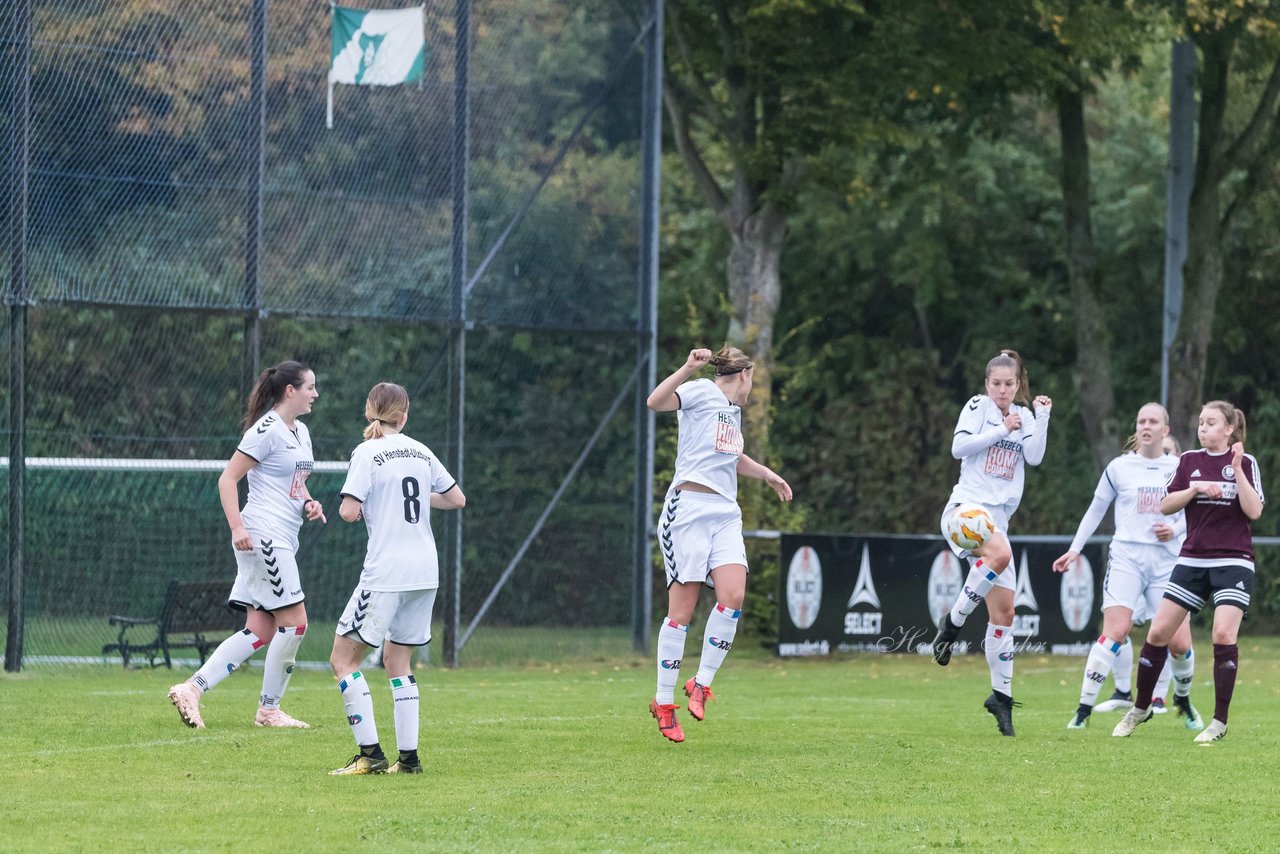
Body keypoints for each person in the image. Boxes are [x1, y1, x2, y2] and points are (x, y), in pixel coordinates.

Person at [645, 346, 792, 743]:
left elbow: (733, 457)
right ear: (743, 375)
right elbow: (655, 401)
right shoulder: (702, 392)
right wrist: (688, 367)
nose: (753, 387)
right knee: (682, 611)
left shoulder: (731, 410)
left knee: (733, 595)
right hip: (688, 511)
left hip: (725, 512)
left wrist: (768, 475)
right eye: (753, 379)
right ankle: (662, 700)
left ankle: (700, 683)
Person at [168, 360, 324, 729]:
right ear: (290, 391)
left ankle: (192, 688)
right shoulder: (266, 429)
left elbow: (294, 482)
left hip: (283, 536)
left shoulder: (301, 431)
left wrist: (308, 502)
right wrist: (237, 526)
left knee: (260, 630)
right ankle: (268, 711)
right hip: (263, 535)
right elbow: (228, 479)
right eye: (310, 388)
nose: (315, 394)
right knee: (295, 623)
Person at [328, 382, 465, 775]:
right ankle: (409, 761)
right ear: (403, 417)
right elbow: (457, 499)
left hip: (387, 570)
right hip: (425, 571)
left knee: (342, 660)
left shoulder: (367, 451)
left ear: (368, 412)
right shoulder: (420, 449)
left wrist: (367, 503)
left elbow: (349, 511)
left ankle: (370, 755)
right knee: (397, 662)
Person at [1114, 400, 1263, 743]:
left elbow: (1253, 511)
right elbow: (1165, 505)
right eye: (1201, 422)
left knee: (1223, 635)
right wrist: (1194, 488)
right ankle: (1140, 708)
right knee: (1157, 634)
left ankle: (1219, 722)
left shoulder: (1246, 462)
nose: (1203, 428)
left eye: (1211, 423)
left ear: (1228, 429)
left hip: (1233, 560)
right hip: (1192, 559)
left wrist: (1237, 469)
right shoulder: (1188, 461)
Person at [1052, 403, 1202, 731]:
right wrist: (1075, 550)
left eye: (1153, 422)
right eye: (1140, 421)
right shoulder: (1119, 467)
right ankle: (1082, 711)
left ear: (1166, 430)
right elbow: (1095, 510)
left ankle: (1184, 702)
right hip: (1127, 558)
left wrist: (1174, 530)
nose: (1146, 426)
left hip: (1167, 562)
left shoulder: (1181, 467)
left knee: (1179, 644)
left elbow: (1196, 518)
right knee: (1115, 630)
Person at [930, 350, 1051, 736]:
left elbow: (1034, 457)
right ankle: (953, 622)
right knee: (1000, 553)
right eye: (996, 383)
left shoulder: (1025, 415)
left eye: (1009, 384)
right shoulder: (978, 406)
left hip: (998, 521)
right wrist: (1002, 429)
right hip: (966, 509)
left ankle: (1000, 697)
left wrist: (1041, 416)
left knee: (1005, 615)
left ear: (1019, 385)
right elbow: (958, 448)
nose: (1001, 390)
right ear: (987, 385)